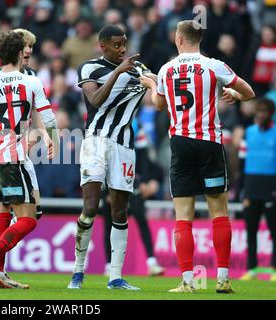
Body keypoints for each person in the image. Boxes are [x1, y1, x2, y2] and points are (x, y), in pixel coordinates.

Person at [140, 20, 255, 293]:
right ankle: (223, 279)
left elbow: (158, 105)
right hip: (210, 143)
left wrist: (150, 84)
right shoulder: (214, 66)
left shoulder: (167, 69)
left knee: (183, 215)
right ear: (199, 39)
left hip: (180, 143)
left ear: (179, 39)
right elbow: (249, 92)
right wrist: (233, 95)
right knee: (219, 212)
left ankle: (188, 282)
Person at [0, 31, 58, 289]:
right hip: (13, 159)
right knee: (29, 218)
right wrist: (54, 141)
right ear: (20, 53)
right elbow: (49, 119)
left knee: (1, 219)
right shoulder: (31, 82)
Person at [67, 25, 152, 290]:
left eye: (124, 43)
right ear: (103, 46)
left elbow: (156, 82)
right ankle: (78, 272)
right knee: (91, 207)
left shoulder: (138, 69)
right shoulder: (90, 68)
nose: (122, 49)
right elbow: (94, 101)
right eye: (116, 45)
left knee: (120, 211)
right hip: (96, 141)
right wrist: (117, 72)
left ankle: (115, 277)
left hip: (125, 146)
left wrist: (156, 81)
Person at [102, 121, 165, 277]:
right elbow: (101, 160)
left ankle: (152, 262)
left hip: (132, 182)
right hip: (111, 183)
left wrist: (144, 181)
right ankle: (109, 264)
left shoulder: (135, 124)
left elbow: (143, 159)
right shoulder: (106, 124)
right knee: (110, 224)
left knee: (141, 219)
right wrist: (105, 191)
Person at [239, 98, 276, 281]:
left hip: (271, 187)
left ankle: (274, 268)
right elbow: (242, 162)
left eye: (265, 111)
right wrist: (242, 191)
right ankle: (251, 268)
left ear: (271, 113)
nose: (261, 114)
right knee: (250, 230)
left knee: (274, 230)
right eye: (258, 111)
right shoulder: (249, 132)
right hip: (252, 187)